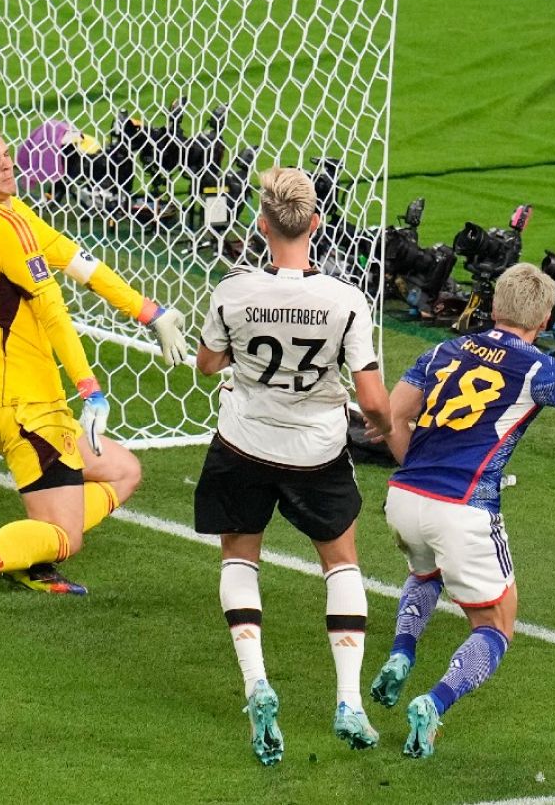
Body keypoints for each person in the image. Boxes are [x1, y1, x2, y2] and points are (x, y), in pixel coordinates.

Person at [0, 119, 188, 607]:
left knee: (124, 470)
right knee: (66, 537)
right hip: (25, 409)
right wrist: (90, 388)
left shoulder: (3, 215)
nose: (6, 165)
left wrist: (150, 312)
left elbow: (78, 262)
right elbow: (52, 310)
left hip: (5, 402)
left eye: (6, 155)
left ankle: (30, 560)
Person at [368, 262, 555, 757]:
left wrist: (415, 470)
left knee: (425, 572)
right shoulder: (538, 366)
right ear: (543, 320)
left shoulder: (442, 350)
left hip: (404, 497)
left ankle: (401, 654)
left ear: (495, 307)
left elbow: (392, 416)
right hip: (464, 507)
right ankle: (433, 704)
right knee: (496, 627)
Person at [193, 167, 393, 765]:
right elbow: (372, 397)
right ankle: (349, 702)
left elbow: (208, 364)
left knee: (239, 557)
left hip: (244, 444)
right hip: (316, 452)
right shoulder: (346, 300)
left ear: (261, 225)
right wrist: (385, 429)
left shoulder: (233, 291)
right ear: (316, 223)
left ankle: (257, 683)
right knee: (341, 562)